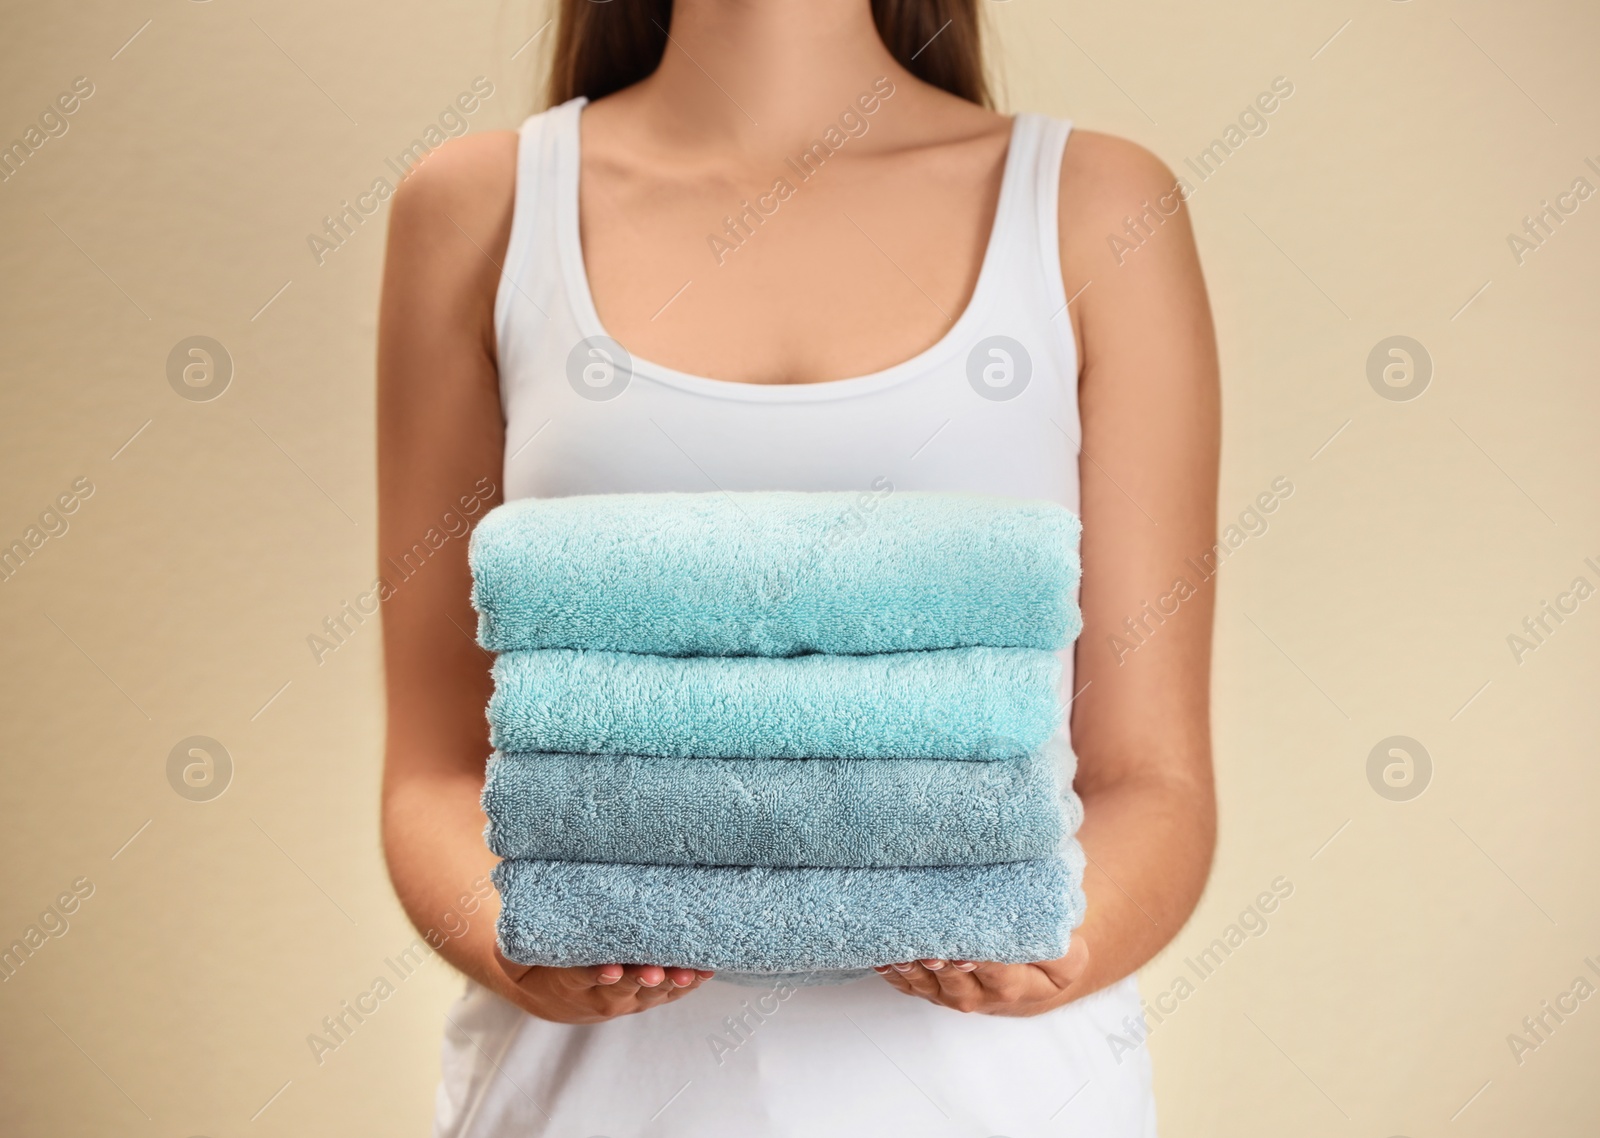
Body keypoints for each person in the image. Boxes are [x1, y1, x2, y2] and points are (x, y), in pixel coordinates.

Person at [378, 1, 1218, 1133]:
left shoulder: (1094, 206)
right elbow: (435, 767)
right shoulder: (479, 207)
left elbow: (1152, 779)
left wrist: (1053, 942)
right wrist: (520, 933)